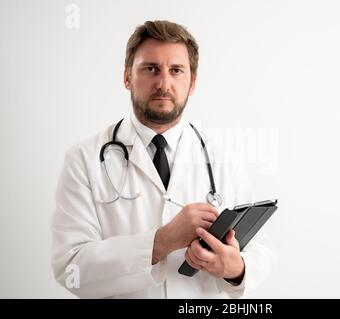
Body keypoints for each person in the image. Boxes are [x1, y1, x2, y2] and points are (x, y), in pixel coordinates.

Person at [51, 20, 274, 298]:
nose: (163, 83)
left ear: (192, 82)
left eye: (176, 70)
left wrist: (235, 267)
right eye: (150, 68)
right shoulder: (84, 159)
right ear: (127, 77)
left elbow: (260, 250)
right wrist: (162, 241)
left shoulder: (221, 157)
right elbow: (70, 268)